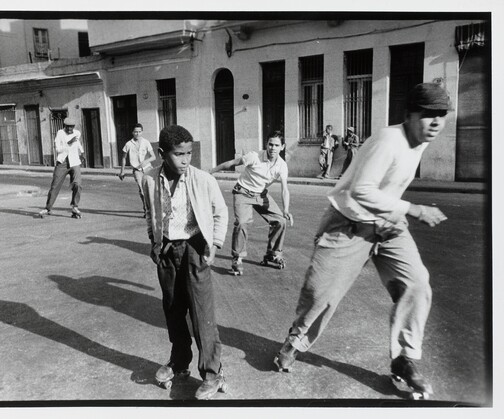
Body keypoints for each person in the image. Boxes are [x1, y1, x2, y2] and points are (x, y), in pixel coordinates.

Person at [273, 83, 451, 399]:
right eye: (428, 115)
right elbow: (362, 191)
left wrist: (399, 212)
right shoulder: (389, 140)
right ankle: (295, 341)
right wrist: (416, 208)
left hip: (387, 222)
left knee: (417, 283)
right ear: (409, 115)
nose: (436, 122)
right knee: (321, 295)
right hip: (349, 222)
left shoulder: (421, 139)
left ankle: (404, 360)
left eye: (442, 115)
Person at [142, 125, 229, 400]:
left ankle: (213, 373)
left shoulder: (203, 180)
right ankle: (179, 363)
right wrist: (154, 242)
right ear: (161, 154)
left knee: (202, 313)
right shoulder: (149, 180)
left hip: (194, 248)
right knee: (173, 309)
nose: (185, 160)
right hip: (167, 250)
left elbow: (220, 212)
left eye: (189, 153)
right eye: (179, 154)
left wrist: (214, 244)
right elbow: (149, 212)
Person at [210, 131, 293, 276]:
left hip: (260, 194)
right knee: (242, 223)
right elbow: (232, 163)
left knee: (280, 220)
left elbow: (285, 189)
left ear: (282, 147)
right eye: (270, 144)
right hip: (243, 192)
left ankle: (273, 254)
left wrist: (286, 210)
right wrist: (211, 171)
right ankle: (237, 258)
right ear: (266, 144)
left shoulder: (282, 165)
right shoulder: (254, 157)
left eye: (276, 145)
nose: (273, 148)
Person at [38, 118, 84, 218]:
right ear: (64, 126)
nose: (69, 129)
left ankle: (74, 206)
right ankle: (48, 208)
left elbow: (78, 143)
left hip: (75, 161)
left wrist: (82, 152)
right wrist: (68, 143)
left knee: (78, 184)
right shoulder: (60, 133)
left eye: (71, 127)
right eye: (67, 127)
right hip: (62, 162)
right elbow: (58, 149)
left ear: (74, 127)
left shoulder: (77, 133)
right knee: (55, 185)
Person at [118, 123, 156, 217]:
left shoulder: (146, 142)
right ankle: (147, 210)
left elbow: (153, 157)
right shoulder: (128, 144)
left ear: (142, 132)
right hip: (137, 170)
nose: (137, 134)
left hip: (148, 168)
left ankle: (153, 209)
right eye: (135, 132)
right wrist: (122, 171)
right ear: (132, 132)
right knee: (142, 191)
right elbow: (123, 158)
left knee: (151, 189)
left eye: (139, 132)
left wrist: (146, 161)